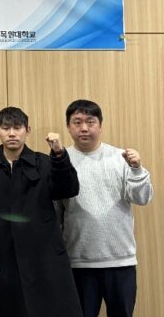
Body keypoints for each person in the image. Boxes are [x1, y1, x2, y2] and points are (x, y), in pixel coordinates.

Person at [0, 106, 82, 317]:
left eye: (17, 128)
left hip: (45, 257)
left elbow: (68, 189)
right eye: (6, 128)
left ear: (28, 130)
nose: (12, 133)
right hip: (3, 258)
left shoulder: (44, 162)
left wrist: (59, 155)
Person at [59, 99, 153, 317]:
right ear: (68, 127)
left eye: (90, 122)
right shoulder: (59, 162)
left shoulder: (121, 158)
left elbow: (142, 198)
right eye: (77, 122)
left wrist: (137, 169)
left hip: (120, 261)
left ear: (100, 125)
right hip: (78, 262)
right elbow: (54, 213)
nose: (84, 128)